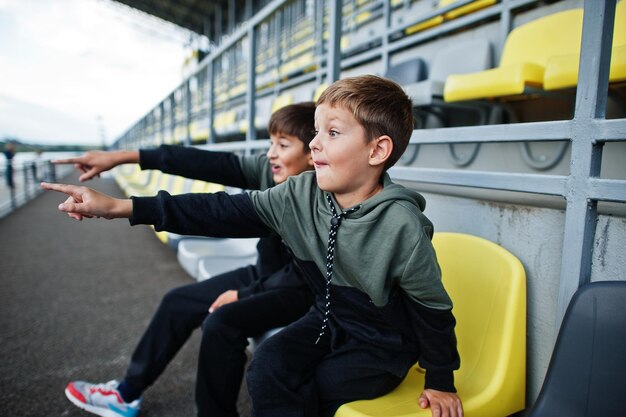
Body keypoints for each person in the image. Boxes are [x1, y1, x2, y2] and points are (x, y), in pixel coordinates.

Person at [43, 75, 464, 417]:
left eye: (331, 133)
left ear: (378, 150)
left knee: (319, 388)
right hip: (326, 321)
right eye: (315, 132)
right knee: (266, 367)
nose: (315, 143)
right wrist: (123, 206)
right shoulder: (298, 193)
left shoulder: (402, 226)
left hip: (379, 344)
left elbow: (433, 310)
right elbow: (223, 210)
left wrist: (440, 379)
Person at [51, 102, 317, 417]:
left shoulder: (321, 199)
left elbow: (303, 278)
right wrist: (122, 157)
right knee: (178, 301)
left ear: (313, 155)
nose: (271, 153)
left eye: (283, 145)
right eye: (271, 143)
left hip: (299, 290)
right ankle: (125, 394)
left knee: (221, 323)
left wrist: (244, 294)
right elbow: (204, 163)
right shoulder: (271, 172)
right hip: (267, 274)